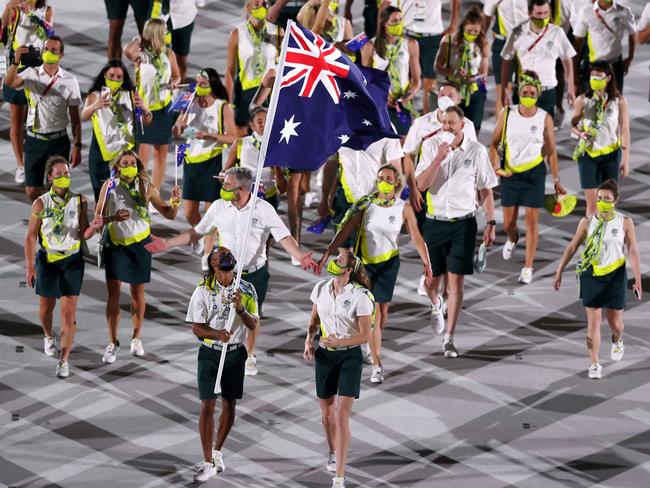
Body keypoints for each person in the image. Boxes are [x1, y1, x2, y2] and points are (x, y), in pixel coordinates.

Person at [145, 167, 319, 376]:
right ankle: (222, 349)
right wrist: (167, 243)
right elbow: (197, 232)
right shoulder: (219, 207)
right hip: (227, 274)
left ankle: (250, 355)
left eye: (227, 184)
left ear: (243, 188)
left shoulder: (263, 209)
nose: (223, 187)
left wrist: (300, 256)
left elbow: (283, 236)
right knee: (223, 313)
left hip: (255, 273)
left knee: (251, 317)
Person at [319, 165, 432, 384]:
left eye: (388, 178)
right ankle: (377, 363)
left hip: (389, 264)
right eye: (380, 178)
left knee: (382, 314)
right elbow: (345, 230)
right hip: (366, 266)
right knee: (375, 315)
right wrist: (327, 252)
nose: (383, 181)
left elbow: (417, 237)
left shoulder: (403, 207)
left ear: (396, 183)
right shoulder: (365, 204)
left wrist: (427, 262)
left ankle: (369, 342)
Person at [415, 106, 498, 358]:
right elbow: (420, 185)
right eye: (444, 123)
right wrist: (438, 158)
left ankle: (450, 337)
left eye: (452, 123)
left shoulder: (477, 151)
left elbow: (485, 189)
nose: (447, 127)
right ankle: (435, 303)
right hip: (434, 222)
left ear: (463, 126)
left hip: (464, 223)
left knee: (456, 281)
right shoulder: (430, 147)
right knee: (431, 280)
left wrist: (491, 222)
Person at [94, 150, 181, 364]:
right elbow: (97, 220)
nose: (130, 165)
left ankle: (136, 338)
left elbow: (169, 214)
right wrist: (114, 217)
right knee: (113, 295)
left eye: (133, 162)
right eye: (126, 163)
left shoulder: (147, 187)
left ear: (139, 166)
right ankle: (113, 343)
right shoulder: (109, 187)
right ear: (118, 167)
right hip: (116, 245)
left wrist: (176, 201)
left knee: (137, 293)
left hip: (140, 245)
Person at [553, 179, 642, 379]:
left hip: (615, 276)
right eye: (599, 198)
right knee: (593, 322)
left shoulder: (624, 222)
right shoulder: (587, 221)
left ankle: (617, 340)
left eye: (607, 199)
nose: (602, 201)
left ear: (615, 200)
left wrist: (637, 279)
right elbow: (572, 247)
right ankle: (594, 363)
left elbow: (633, 251)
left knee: (615, 323)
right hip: (591, 275)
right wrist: (559, 270)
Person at [24, 156, 103, 378]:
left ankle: (64, 359)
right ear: (50, 178)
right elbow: (31, 237)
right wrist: (30, 267)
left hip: (72, 261)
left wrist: (95, 227)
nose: (64, 178)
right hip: (48, 260)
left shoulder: (80, 201)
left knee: (68, 313)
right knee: (46, 308)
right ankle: (48, 335)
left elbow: (84, 233)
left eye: (66, 174)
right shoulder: (40, 203)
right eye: (59, 175)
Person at [187, 246, 259, 482]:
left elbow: (252, 325)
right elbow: (196, 328)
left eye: (228, 254)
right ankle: (207, 462)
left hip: (236, 354)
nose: (225, 256)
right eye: (220, 256)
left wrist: (240, 308)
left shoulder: (246, 289)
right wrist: (217, 335)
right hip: (210, 353)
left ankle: (217, 451)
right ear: (213, 265)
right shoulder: (203, 290)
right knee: (207, 406)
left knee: (229, 405)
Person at [303, 251, 374, 488]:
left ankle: (339, 476)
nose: (334, 261)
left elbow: (365, 334)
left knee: (341, 416)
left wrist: (339, 343)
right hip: (325, 356)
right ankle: (333, 452)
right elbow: (313, 320)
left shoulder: (361, 297)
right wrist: (308, 341)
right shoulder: (321, 288)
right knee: (326, 416)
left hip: (350, 358)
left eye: (340, 260)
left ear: (348, 271)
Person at [489, 71, 566, 285]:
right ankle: (513, 238)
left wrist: (557, 180)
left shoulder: (544, 117)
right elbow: (494, 143)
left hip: (534, 173)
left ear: (538, 94)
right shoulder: (507, 113)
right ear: (518, 92)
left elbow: (551, 150)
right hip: (511, 173)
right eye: (524, 92)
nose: (528, 95)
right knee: (508, 224)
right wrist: (495, 165)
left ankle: (528, 266)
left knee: (532, 221)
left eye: (532, 92)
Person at [402, 81, 476, 296]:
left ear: (458, 100)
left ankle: (441, 286)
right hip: (425, 187)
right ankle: (430, 273)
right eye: (442, 93)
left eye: (450, 94)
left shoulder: (467, 125)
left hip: (453, 190)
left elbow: (471, 156)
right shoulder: (422, 123)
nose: (445, 97)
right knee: (426, 237)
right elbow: (408, 155)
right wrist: (413, 189)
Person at [172, 68, 237, 268]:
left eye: (203, 84)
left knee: (211, 211)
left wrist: (210, 136)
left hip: (212, 162)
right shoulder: (188, 103)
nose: (199, 87)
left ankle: (208, 253)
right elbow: (175, 133)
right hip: (192, 162)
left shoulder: (222, 107)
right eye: (197, 83)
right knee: (190, 212)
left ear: (212, 85)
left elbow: (233, 137)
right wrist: (180, 123)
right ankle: (200, 235)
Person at [5, 35, 82, 202]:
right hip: (34, 141)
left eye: (53, 50)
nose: (48, 52)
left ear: (61, 55)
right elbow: (10, 83)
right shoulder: (30, 74)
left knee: (59, 188)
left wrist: (77, 145)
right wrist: (16, 61)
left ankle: (55, 222)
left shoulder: (70, 81)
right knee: (32, 190)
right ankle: (42, 217)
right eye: (46, 49)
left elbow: (75, 118)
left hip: (58, 141)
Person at [82, 60, 152, 203]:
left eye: (119, 77)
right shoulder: (95, 95)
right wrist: (95, 106)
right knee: (103, 202)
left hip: (126, 158)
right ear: (104, 75)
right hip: (103, 157)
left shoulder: (131, 95)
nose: (114, 79)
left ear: (124, 78)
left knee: (126, 200)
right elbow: (84, 116)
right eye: (111, 76)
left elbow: (148, 120)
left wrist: (145, 108)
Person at [124, 17, 181, 192]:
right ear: (155, 33)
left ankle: (153, 194)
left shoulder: (169, 54)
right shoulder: (141, 56)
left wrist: (174, 83)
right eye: (164, 30)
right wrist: (139, 39)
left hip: (164, 109)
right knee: (142, 156)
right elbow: (127, 50)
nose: (167, 33)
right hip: (144, 110)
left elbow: (178, 76)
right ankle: (141, 192)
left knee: (161, 154)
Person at [1, 0, 52, 185]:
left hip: (38, 69)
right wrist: (9, 7)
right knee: (16, 119)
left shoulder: (46, 10)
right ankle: (21, 165)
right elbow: (3, 32)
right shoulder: (13, 9)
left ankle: (41, 163)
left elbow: (50, 34)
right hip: (17, 66)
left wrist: (33, 14)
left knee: (39, 120)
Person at [380, 0, 461, 114]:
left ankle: (426, 122)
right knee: (406, 81)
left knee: (430, 85)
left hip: (432, 37)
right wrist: (380, 31)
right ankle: (406, 118)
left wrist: (454, 24)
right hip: (407, 34)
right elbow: (386, 3)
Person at [570, 61, 629, 216]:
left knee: (608, 204)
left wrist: (625, 159)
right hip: (588, 156)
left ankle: (607, 238)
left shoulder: (619, 101)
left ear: (608, 78)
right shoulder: (582, 100)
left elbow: (625, 131)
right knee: (592, 206)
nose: (594, 79)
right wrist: (579, 133)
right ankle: (591, 238)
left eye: (598, 76)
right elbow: (573, 125)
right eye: (592, 76)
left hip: (611, 155)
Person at [500, 0, 576, 118]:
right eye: (539, 14)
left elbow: (567, 61)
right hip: (524, 91)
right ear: (530, 13)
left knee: (545, 132)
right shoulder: (517, 32)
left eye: (546, 13)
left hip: (547, 91)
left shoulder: (557, 32)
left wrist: (571, 88)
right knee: (522, 131)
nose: (543, 17)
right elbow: (506, 61)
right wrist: (504, 89)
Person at [328, 137, 404, 254]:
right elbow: (334, 162)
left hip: (376, 202)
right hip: (345, 197)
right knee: (345, 254)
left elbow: (397, 170)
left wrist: (393, 206)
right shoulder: (341, 125)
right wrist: (326, 194)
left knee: (371, 254)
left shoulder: (385, 127)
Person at [361, 6, 420, 136]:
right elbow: (364, 79)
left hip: (401, 103)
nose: (398, 24)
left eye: (400, 20)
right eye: (394, 21)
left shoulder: (411, 44)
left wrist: (409, 95)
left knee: (402, 141)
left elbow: (416, 80)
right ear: (384, 24)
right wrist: (382, 95)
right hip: (378, 103)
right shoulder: (370, 45)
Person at [225, 0, 281, 134]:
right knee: (242, 141)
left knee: (269, 138)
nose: (259, 2)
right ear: (248, 5)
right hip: (245, 94)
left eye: (263, 2)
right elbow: (230, 71)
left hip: (269, 92)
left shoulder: (278, 32)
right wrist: (226, 104)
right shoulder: (237, 34)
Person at [434, 6, 489, 133]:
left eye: (476, 32)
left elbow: (484, 72)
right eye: (469, 31)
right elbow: (437, 66)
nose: (472, 35)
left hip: (474, 90)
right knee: (452, 128)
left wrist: (473, 77)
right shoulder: (448, 41)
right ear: (463, 27)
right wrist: (454, 73)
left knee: (474, 129)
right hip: (454, 90)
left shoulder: (482, 43)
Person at [224, 106, 285, 210]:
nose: (264, 124)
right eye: (260, 121)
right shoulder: (240, 143)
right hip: (243, 196)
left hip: (268, 197)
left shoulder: (277, 146)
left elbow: (283, 188)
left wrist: (276, 165)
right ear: (251, 125)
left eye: (267, 121)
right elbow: (225, 172)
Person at [573, 0, 636, 92]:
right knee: (590, 102)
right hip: (592, 66)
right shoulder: (586, 12)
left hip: (614, 66)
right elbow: (578, 42)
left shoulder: (624, 11)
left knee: (614, 102)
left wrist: (630, 58)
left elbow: (633, 33)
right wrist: (575, 70)